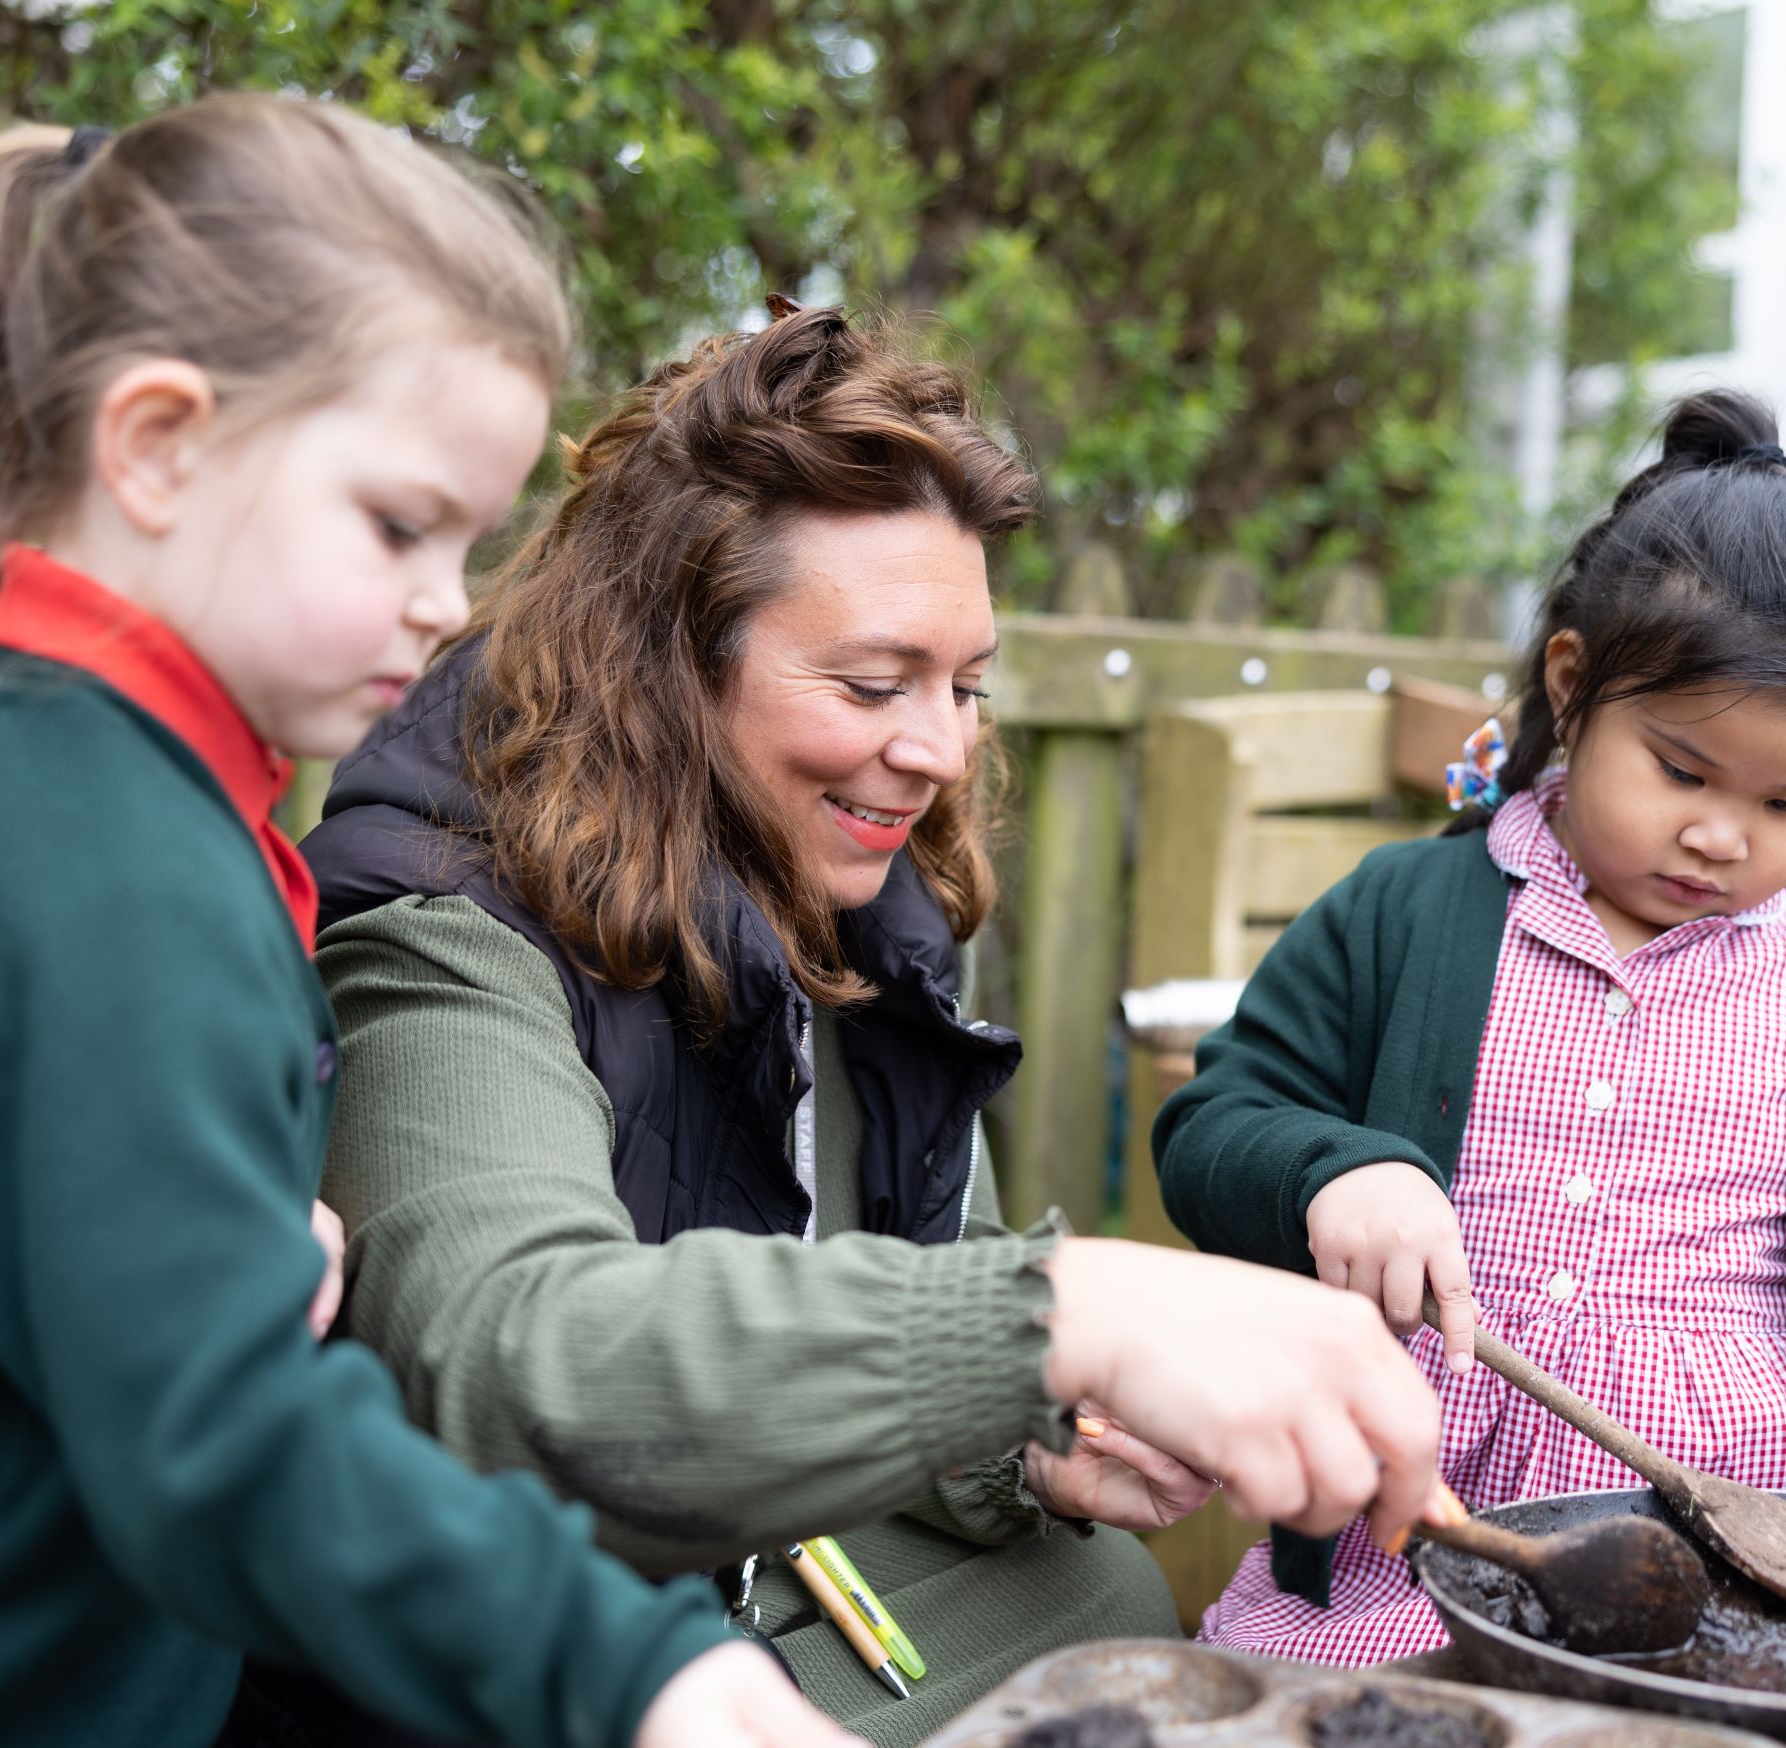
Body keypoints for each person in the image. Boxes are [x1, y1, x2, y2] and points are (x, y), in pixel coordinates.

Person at [0, 97, 861, 1748]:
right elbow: (222, 1443)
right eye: (397, 523)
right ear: (153, 444)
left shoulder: (22, 743)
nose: (448, 598)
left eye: (471, 537)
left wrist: (226, 1237)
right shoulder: (113, 855)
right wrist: (648, 1669)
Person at [299, 302, 1447, 1742]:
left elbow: (878, 1264)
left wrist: (1029, 1447)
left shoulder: (841, 896)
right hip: (522, 1623)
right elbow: (516, 1361)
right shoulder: (438, 929)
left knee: (1104, 1609)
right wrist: (1062, 1316)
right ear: (662, 662)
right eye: (871, 684)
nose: (938, 750)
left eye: (965, 689)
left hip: (768, 1553)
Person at [1154, 393, 1786, 1662]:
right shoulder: (1405, 917)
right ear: (1571, 687)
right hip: (1413, 1552)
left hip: (1745, 1587)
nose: (1724, 835)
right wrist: (1341, 1171)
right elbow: (1210, 1130)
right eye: (1679, 771)